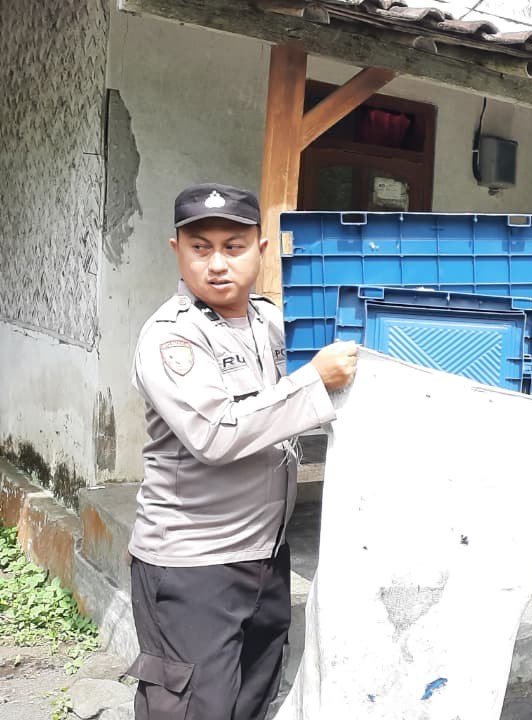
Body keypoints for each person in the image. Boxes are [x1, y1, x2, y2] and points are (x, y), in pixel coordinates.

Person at [126, 184, 358, 720]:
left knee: (253, 698)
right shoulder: (171, 338)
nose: (216, 264)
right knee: (193, 708)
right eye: (200, 247)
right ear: (176, 251)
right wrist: (314, 381)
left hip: (265, 555)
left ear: (261, 249)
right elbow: (217, 434)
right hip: (193, 564)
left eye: (233, 246)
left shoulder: (270, 322)